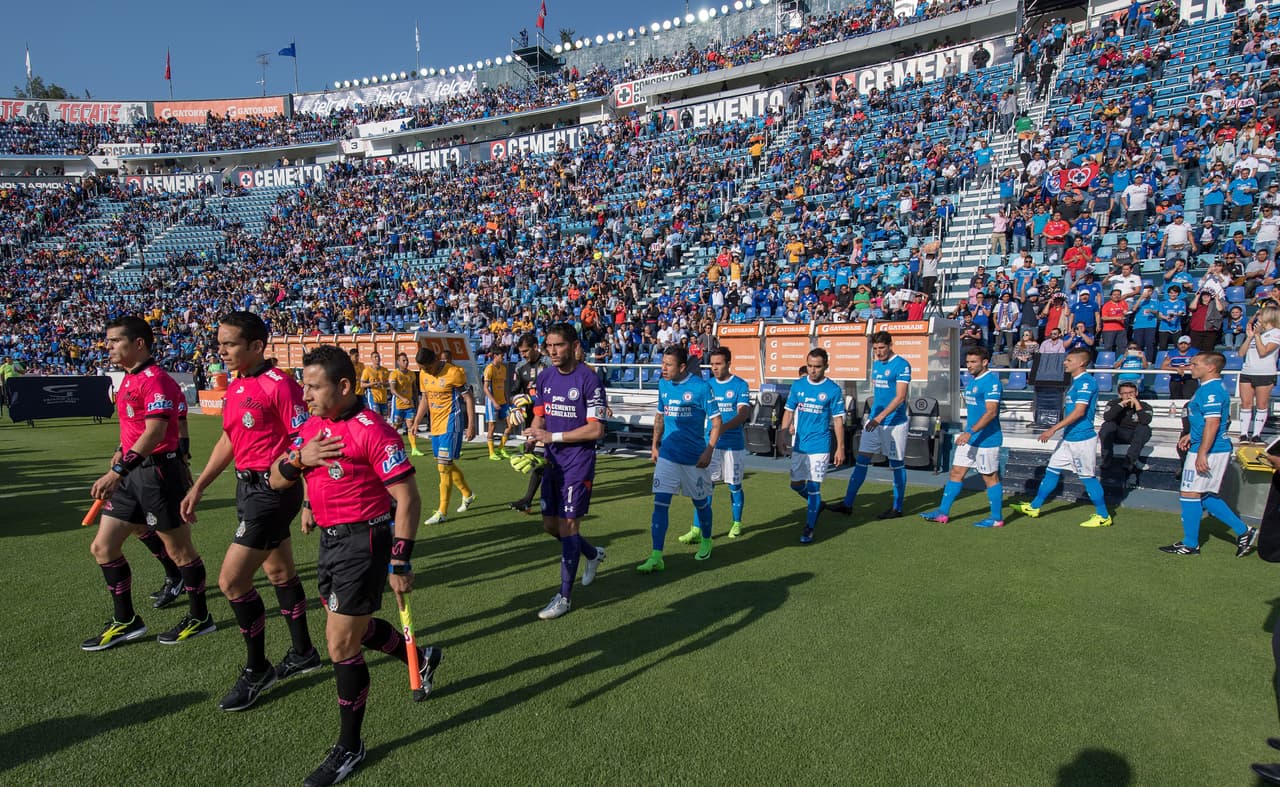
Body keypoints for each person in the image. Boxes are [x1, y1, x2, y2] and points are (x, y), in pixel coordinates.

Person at [267, 345, 441, 787]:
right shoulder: (311, 427)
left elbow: (407, 499)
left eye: (313, 386)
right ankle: (422, 658)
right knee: (356, 630)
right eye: (303, 385)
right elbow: (276, 477)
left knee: (341, 645)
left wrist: (400, 559)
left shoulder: (374, 431)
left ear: (344, 387)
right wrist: (298, 467)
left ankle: (350, 746)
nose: (304, 394)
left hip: (364, 541)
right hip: (329, 540)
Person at [179, 311, 320, 711]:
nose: (220, 351)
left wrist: (309, 500)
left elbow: (304, 443)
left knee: (232, 582)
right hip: (247, 487)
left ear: (257, 346)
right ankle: (303, 652)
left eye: (230, 344)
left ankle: (257, 669)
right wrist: (200, 485)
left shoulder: (281, 386)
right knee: (280, 572)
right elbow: (230, 438)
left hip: (273, 491)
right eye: (219, 343)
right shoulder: (238, 384)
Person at [83, 316, 212, 651]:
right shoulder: (129, 379)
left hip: (157, 474)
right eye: (107, 340)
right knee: (103, 548)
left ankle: (200, 618)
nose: (108, 346)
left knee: (180, 550)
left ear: (138, 343)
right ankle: (126, 621)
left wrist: (117, 471)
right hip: (131, 474)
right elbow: (133, 428)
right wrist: (118, 453)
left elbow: (155, 432)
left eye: (114, 341)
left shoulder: (156, 380)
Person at [521, 324, 608, 619]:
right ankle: (592, 554)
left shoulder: (589, 379)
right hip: (552, 463)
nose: (553, 351)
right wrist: (533, 434)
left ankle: (564, 597)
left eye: (558, 345)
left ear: (573, 346)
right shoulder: (545, 377)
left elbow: (596, 429)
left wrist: (553, 438)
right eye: (549, 346)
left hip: (578, 463)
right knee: (551, 527)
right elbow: (540, 418)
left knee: (569, 527)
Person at [1161, 351, 1259, 556]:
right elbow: (1206, 421)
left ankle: (1190, 544)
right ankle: (1244, 531)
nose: (1191, 367)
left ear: (1210, 367)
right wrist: (1191, 435)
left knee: (1189, 494)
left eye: (1196, 364)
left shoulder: (1211, 390)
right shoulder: (1207, 388)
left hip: (1210, 450)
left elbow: (1213, 423)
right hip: (1208, 446)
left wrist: (1202, 453)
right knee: (1204, 495)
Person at [638, 346, 722, 572]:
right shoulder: (664, 384)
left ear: (682, 367)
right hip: (668, 455)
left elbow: (716, 422)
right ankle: (657, 556)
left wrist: (709, 450)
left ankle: (706, 540)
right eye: (662, 363)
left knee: (701, 504)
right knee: (660, 504)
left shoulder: (702, 388)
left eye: (668, 365)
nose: (663, 369)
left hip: (695, 459)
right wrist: (654, 445)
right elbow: (660, 415)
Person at [1016, 348, 1113, 528]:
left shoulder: (1086, 382)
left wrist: (1053, 429)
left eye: (1069, 360)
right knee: (1052, 470)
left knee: (1088, 477)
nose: (1064, 363)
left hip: (1082, 439)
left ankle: (1103, 515)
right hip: (1069, 438)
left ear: (1081, 363)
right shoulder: (1075, 383)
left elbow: (1079, 412)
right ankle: (1034, 506)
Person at [920, 347, 1005, 528]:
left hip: (987, 440)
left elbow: (991, 413)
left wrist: (969, 432)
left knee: (989, 477)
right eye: (967, 362)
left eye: (974, 362)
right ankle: (942, 513)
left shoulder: (991, 382)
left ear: (985, 362)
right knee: (956, 473)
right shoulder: (972, 382)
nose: (969, 365)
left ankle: (997, 518)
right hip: (971, 438)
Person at [830, 331, 910, 518]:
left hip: (894, 424)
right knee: (862, 459)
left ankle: (897, 508)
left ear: (890, 345)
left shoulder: (902, 365)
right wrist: (874, 418)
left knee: (897, 464)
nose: (878, 352)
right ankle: (848, 503)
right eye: (875, 349)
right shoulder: (876, 365)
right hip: (874, 421)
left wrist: (879, 418)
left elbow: (900, 397)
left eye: (882, 348)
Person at [678, 347, 751, 541]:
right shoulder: (706, 385)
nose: (715, 368)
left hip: (732, 446)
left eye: (719, 364)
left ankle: (736, 523)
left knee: (734, 486)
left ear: (728, 364)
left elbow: (743, 413)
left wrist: (723, 427)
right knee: (704, 486)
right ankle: (696, 529)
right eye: (712, 364)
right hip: (709, 445)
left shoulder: (740, 385)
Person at [775, 348, 846, 543]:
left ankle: (809, 527)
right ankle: (818, 505)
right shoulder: (798, 386)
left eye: (817, 367)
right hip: (799, 444)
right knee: (796, 484)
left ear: (826, 367)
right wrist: (782, 435)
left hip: (820, 446)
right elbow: (788, 412)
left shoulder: (833, 389)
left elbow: (838, 420)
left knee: (814, 486)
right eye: (810, 366)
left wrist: (840, 447)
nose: (813, 370)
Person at [409, 346, 477, 524]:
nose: (425, 371)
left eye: (427, 367)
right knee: (445, 464)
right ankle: (467, 494)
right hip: (435, 426)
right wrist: (416, 421)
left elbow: (469, 398)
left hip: (451, 424)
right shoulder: (424, 374)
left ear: (435, 361)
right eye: (422, 369)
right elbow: (425, 398)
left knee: (443, 467)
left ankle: (442, 512)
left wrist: (471, 424)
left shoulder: (454, 373)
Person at [508, 333, 553, 514]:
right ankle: (534, 499)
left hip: (549, 418)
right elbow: (513, 393)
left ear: (535, 347)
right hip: (531, 419)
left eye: (526, 350)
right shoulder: (520, 367)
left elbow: (554, 392)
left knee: (542, 459)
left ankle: (530, 500)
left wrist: (532, 397)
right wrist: (515, 406)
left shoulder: (549, 364)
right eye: (521, 352)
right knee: (539, 459)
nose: (523, 354)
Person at [1240, 305, 1280, 443]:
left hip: (1265, 372)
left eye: (1261, 315)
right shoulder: (1257, 332)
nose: (1258, 318)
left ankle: (1257, 434)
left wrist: (1256, 336)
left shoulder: (1276, 333)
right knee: (1246, 403)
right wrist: (1250, 337)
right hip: (1247, 370)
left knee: (1261, 404)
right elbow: (1241, 353)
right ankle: (1244, 433)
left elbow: (1263, 352)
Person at [1098, 381, 1153, 473]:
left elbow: (1146, 421)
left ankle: (1130, 461)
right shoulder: (1113, 403)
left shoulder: (1145, 406)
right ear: (1120, 395)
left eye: (1131, 393)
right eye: (1125, 393)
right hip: (1117, 434)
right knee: (1107, 426)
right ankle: (1106, 459)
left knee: (1144, 428)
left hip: (1135, 435)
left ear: (1136, 393)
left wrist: (1137, 405)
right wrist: (1121, 405)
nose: (1128, 396)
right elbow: (1107, 417)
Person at [482, 349, 515, 460]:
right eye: (501, 356)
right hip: (492, 402)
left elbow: (503, 386)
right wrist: (494, 402)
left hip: (503, 401)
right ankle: (491, 453)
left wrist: (506, 399)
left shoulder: (504, 369)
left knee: (510, 424)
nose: (503, 358)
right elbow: (485, 388)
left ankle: (501, 447)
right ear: (495, 356)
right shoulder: (489, 368)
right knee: (492, 426)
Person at [388, 352, 417, 440]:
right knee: (395, 426)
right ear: (398, 362)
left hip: (409, 404)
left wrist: (417, 403)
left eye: (407, 360)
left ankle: (414, 449)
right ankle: (389, 443)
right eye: (403, 360)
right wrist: (402, 398)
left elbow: (415, 390)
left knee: (411, 425)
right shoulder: (394, 374)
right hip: (398, 404)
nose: (406, 362)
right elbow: (393, 390)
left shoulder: (412, 374)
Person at [359, 352, 389, 419]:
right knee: (376, 416)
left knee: (384, 419)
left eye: (378, 357)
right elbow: (362, 384)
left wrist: (383, 383)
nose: (377, 358)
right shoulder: (367, 370)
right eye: (375, 357)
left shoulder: (385, 370)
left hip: (383, 398)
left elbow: (388, 384)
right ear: (371, 359)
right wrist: (372, 384)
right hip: (373, 398)